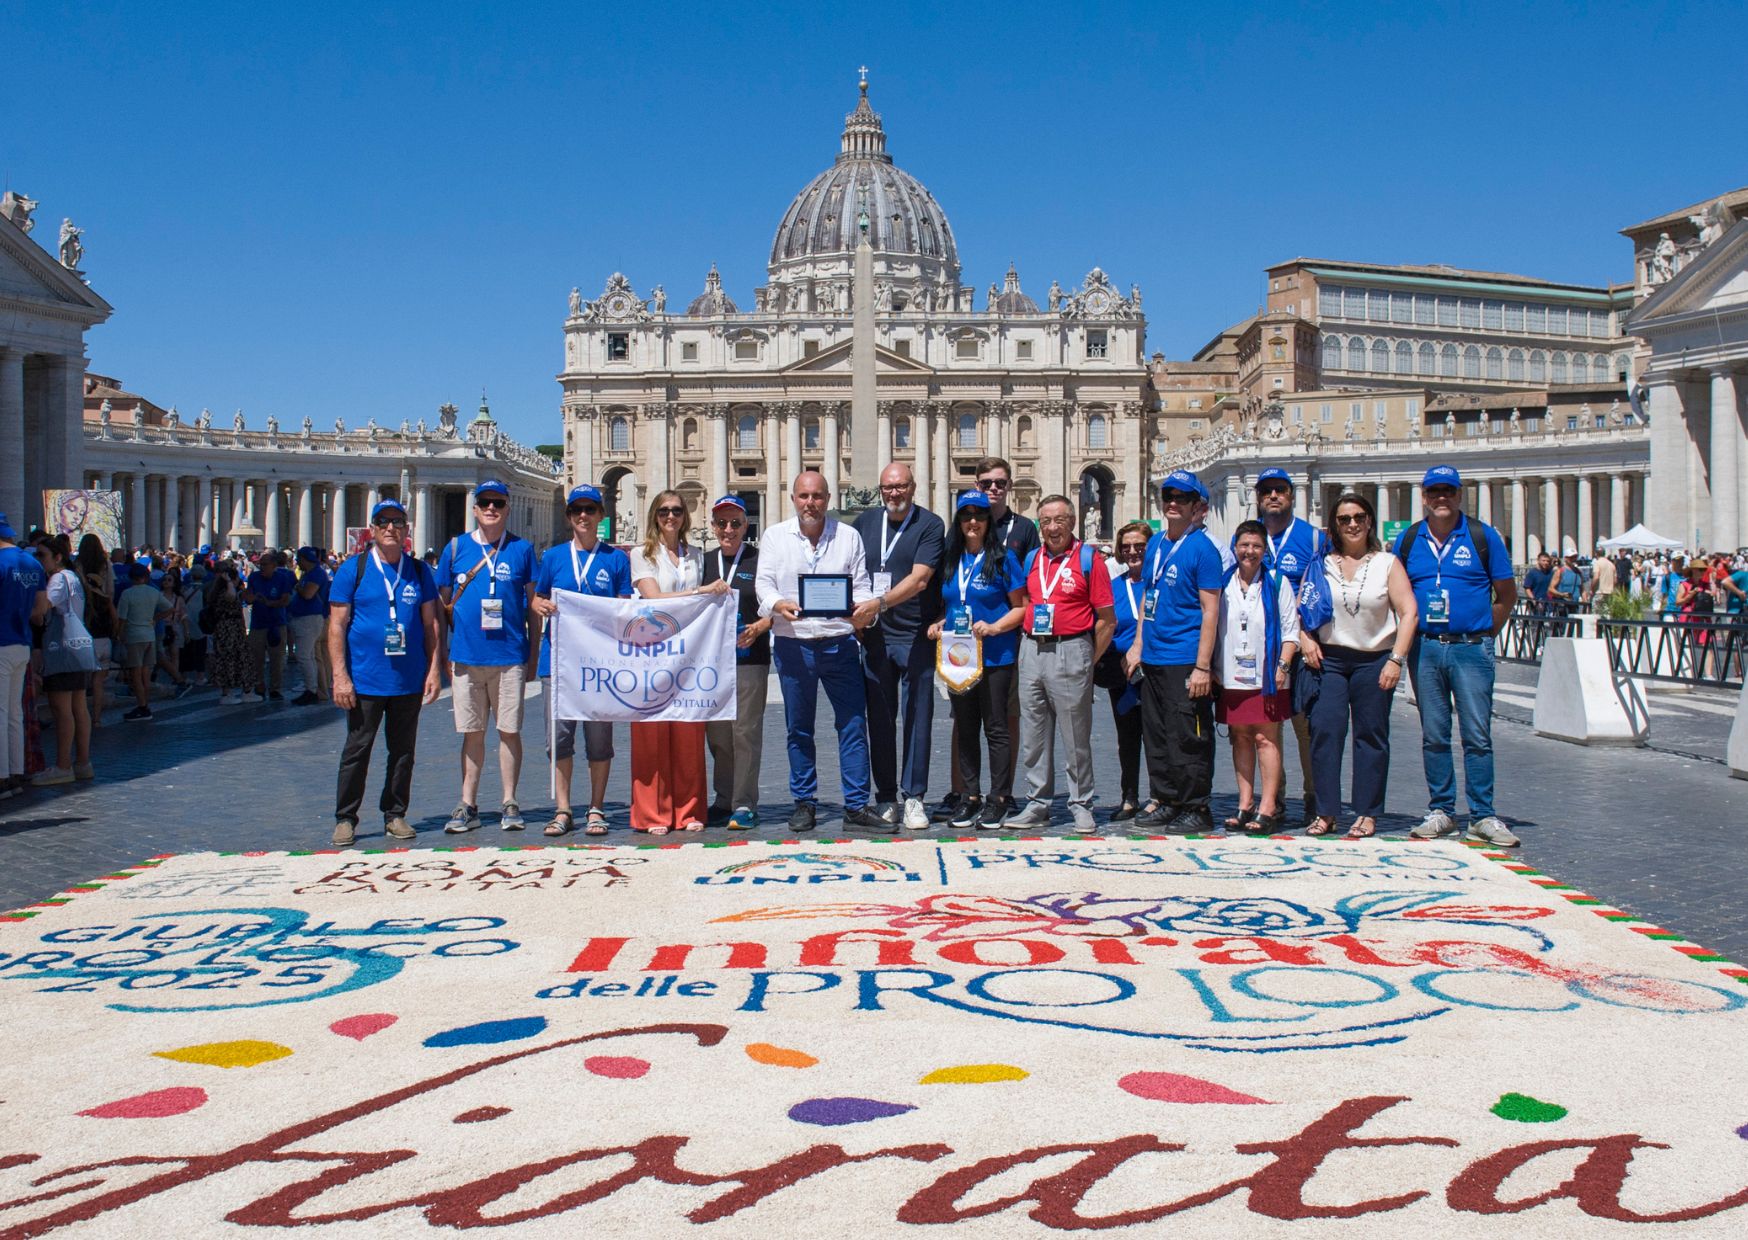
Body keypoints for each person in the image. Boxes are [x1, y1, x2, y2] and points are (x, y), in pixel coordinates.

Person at [1392, 465, 1520, 847]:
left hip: (1470, 646)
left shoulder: (1483, 536)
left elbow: (1507, 594)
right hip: (1427, 648)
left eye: (1448, 491)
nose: (1441, 498)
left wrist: (1482, 631)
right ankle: (1442, 810)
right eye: (1435, 491)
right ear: (1424, 496)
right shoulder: (1409, 539)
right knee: (1434, 734)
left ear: (1459, 494)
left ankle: (1482, 814)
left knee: (1477, 734)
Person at [754, 470, 888, 834]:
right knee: (798, 727)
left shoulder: (848, 536)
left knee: (852, 724)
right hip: (793, 642)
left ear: (828, 499)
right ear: (793, 499)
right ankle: (804, 802)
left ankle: (857, 804)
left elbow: (860, 584)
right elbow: (763, 583)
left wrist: (860, 608)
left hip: (838, 642)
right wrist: (777, 603)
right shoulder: (774, 536)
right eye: (803, 496)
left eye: (816, 496)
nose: (810, 503)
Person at [1300, 492, 1419, 839]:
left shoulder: (1387, 563)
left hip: (1375, 659)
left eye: (1358, 517)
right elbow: (1303, 606)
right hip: (1330, 660)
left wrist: (1397, 659)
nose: (1352, 524)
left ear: (1369, 521)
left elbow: (1408, 612)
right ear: (1334, 526)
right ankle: (1326, 811)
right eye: (1344, 519)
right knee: (1324, 732)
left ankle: (1367, 812)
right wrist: (1307, 638)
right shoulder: (1321, 563)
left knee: (1371, 736)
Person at [326, 498, 441, 847]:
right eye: (383, 522)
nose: (391, 528)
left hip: (407, 679)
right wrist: (340, 676)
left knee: (403, 750)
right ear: (373, 530)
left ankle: (395, 814)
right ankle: (346, 817)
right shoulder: (353, 569)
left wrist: (434, 669)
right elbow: (336, 626)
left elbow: (431, 624)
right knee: (357, 749)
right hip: (365, 679)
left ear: (406, 530)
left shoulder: (419, 571)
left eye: (398, 522)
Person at [932, 456, 1039, 824]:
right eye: (966, 517)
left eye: (979, 516)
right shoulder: (951, 560)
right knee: (965, 728)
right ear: (958, 523)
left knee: (996, 727)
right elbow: (953, 605)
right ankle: (970, 793)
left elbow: (1022, 608)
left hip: (995, 655)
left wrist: (994, 628)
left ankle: (1000, 795)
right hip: (959, 656)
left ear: (986, 521)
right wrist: (940, 624)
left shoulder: (1005, 558)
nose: (973, 522)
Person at [530, 484, 633, 837]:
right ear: (569, 517)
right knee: (558, 739)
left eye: (590, 510)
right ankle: (562, 808)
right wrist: (539, 605)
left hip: (600, 666)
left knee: (599, 739)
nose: (584, 517)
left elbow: (624, 608)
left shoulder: (617, 559)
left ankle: (596, 807)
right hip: (557, 662)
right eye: (577, 511)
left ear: (601, 516)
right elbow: (538, 598)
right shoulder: (553, 558)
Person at [1007, 493, 1115, 831]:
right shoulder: (1031, 559)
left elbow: (1107, 619)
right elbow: (1025, 603)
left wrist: (1087, 658)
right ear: (1039, 525)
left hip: (1072, 650)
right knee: (1033, 734)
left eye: (1061, 521)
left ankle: (1082, 803)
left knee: (1075, 734)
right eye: (1047, 521)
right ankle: (1038, 802)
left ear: (1073, 522)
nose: (1053, 528)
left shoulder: (1088, 559)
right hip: (1032, 649)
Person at [438, 482, 540, 835]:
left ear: (507, 508)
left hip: (510, 656)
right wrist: (440, 659)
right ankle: (468, 803)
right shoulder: (455, 549)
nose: (491, 508)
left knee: (509, 731)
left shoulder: (522, 550)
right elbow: (442, 607)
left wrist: (534, 655)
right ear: (475, 508)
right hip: (467, 656)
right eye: (485, 502)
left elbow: (533, 609)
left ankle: (510, 801)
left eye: (498, 503)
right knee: (472, 732)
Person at [1126, 471, 1224, 833]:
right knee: (1157, 733)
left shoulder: (1204, 549)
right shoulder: (1155, 545)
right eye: (1168, 495)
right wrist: (1138, 644)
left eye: (1181, 497)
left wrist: (1202, 666)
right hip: (1153, 654)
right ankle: (1166, 797)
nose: (1172, 502)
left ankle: (1196, 805)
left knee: (1189, 735)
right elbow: (1147, 599)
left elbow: (1210, 610)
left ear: (1197, 506)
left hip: (1185, 656)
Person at [853, 462, 945, 829]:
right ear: (880, 490)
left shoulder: (930, 524)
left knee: (918, 717)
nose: (895, 493)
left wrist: (878, 603)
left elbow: (921, 579)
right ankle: (887, 796)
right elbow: (852, 572)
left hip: (916, 633)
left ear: (913, 487)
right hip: (875, 635)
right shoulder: (865, 523)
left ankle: (915, 796)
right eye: (888, 487)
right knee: (879, 718)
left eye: (901, 486)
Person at [628, 489, 723, 834]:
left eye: (677, 511)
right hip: (650, 656)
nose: (671, 517)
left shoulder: (696, 555)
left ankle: (688, 810)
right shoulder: (641, 555)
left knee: (688, 732)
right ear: (655, 514)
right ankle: (653, 814)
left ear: (686, 516)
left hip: (687, 656)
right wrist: (701, 591)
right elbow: (653, 599)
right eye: (665, 511)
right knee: (651, 735)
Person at [1247, 467, 1332, 827]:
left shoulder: (1313, 539)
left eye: (1280, 490)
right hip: (1261, 650)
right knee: (1265, 728)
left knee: (1306, 726)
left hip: (1303, 648)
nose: (1273, 496)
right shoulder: (1251, 538)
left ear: (1292, 495)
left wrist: (1307, 636)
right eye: (1266, 491)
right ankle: (1273, 797)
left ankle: (1313, 795)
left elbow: (1326, 593)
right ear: (1258, 498)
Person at [1214, 521, 1300, 833]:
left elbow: (1291, 631)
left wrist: (1284, 666)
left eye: (1256, 546)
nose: (1250, 552)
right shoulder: (1223, 582)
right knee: (1240, 738)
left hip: (1267, 674)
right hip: (1231, 673)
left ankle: (1268, 805)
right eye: (1244, 545)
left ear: (1265, 550)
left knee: (1266, 738)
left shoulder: (1278, 582)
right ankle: (1245, 803)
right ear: (1235, 547)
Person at [702, 496, 771, 831]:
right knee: (717, 735)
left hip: (749, 659)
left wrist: (761, 626)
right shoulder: (702, 562)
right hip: (711, 664)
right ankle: (723, 798)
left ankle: (745, 803)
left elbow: (777, 604)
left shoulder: (761, 561)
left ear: (746, 526)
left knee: (745, 732)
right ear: (713, 527)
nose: (728, 530)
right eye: (722, 523)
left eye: (735, 523)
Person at [1097, 521, 1151, 821]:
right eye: (1126, 547)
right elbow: (1105, 625)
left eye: (1139, 545)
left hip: (1157, 669)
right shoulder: (1114, 588)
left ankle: (1161, 796)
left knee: (1158, 737)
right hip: (1123, 672)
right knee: (1127, 737)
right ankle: (1129, 796)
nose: (1132, 552)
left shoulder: (1159, 582)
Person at [31, 536, 94, 785]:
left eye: (42, 555)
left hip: (62, 649)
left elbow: (42, 609)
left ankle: (63, 765)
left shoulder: (58, 579)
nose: (38, 560)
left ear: (58, 557)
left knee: (61, 708)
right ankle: (82, 762)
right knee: (79, 706)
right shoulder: (73, 577)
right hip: (78, 647)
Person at [0, 512, 48, 799]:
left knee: (1, 712)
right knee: (14, 711)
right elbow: (40, 609)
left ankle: (2, 776)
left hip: (1, 641)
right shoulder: (32, 563)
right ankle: (17, 771)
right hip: (22, 643)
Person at [115, 562, 170, 721]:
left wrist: (119, 635)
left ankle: (142, 706)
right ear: (145, 577)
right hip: (149, 635)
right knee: (146, 674)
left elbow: (122, 619)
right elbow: (170, 608)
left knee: (136, 674)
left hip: (134, 636)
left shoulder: (127, 594)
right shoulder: (153, 592)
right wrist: (155, 619)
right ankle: (146, 705)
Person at [241, 549, 295, 701]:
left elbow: (285, 599)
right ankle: (259, 685)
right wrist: (250, 597)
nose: (262, 568)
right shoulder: (254, 577)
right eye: (260, 564)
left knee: (276, 658)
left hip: (277, 623)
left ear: (273, 565)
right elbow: (248, 595)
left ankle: (275, 688)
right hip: (258, 624)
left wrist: (269, 603)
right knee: (255, 657)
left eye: (265, 565)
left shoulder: (282, 578)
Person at [75, 534, 116, 721]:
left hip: (84, 630)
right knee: (99, 682)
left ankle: (80, 717)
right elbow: (111, 592)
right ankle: (97, 718)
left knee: (82, 682)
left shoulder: (78, 564)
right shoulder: (106, 564)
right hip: (103, 632)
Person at [288, 547, 331, 705]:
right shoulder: (310, 573)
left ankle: (312, 689)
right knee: (310, 656)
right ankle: (312, 688)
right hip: (305, 618)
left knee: (304, 656)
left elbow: (308, 594)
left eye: (299, 559)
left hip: (309, 618)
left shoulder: (316, 574)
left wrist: (298, 586)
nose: (298, 562)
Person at [204, 562, 250, 704]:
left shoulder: (217, 592)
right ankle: (227, 692)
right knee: (229, 659)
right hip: (229, 629)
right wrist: (230, 582)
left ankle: (241, 690)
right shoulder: (225, 593)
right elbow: (231, 597)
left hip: (229, 629)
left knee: (236, 658)